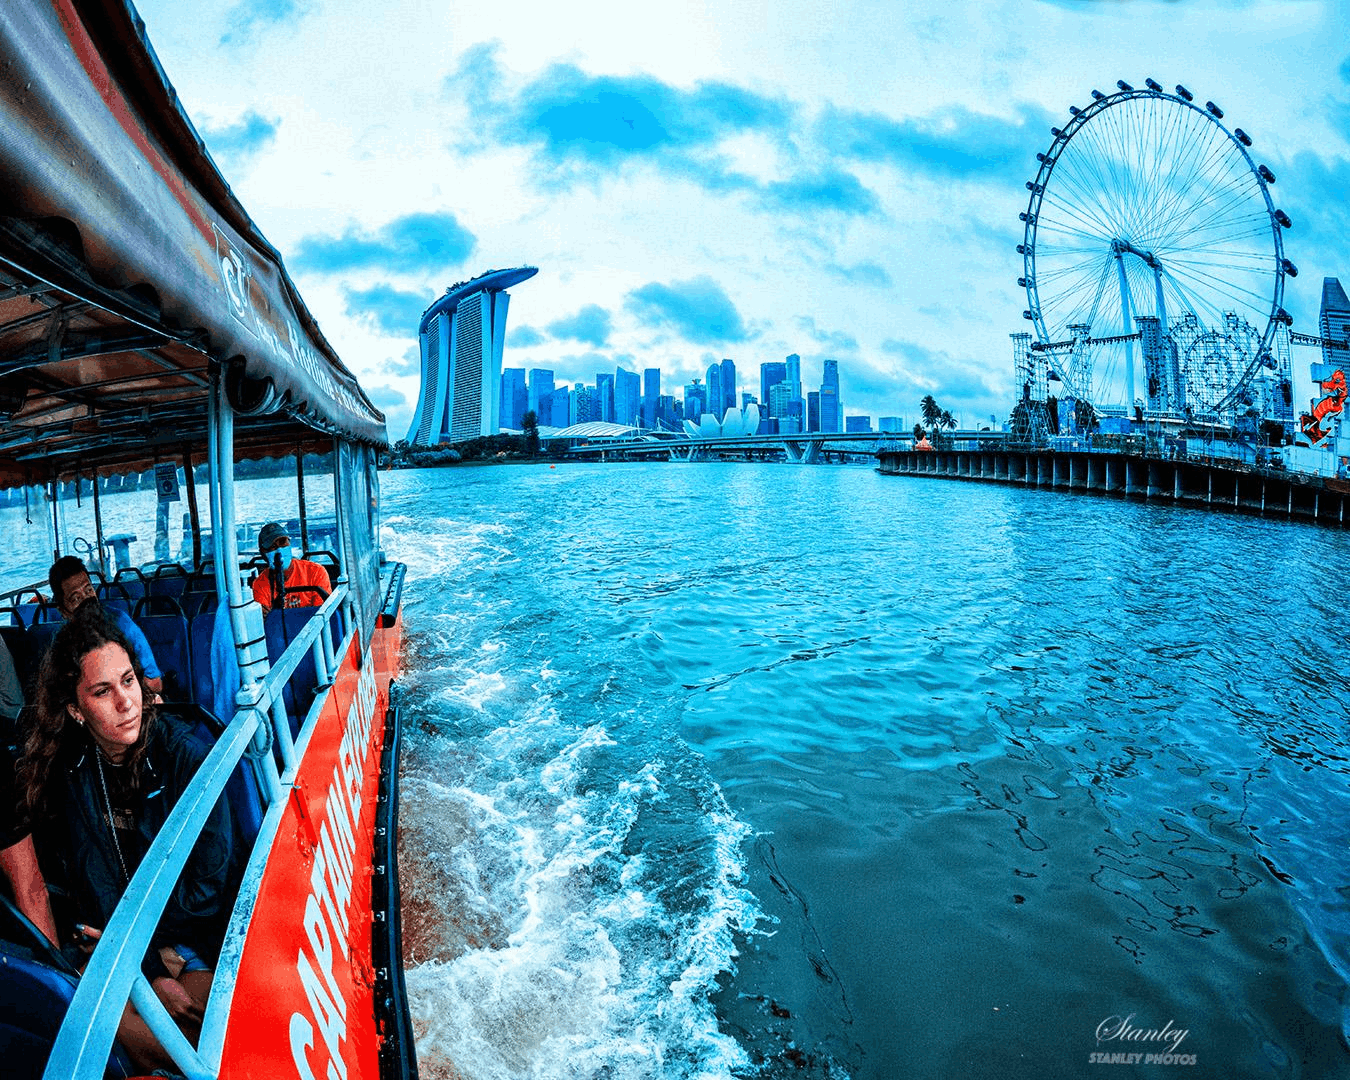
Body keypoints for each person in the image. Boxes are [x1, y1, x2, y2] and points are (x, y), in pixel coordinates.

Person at [20, 605, 237, 1070]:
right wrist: (150, 969)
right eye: (102, 692)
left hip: (191, 941)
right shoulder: (77, 772)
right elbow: (95, 883)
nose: (125, 703)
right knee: (95, 1023)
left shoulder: (187, 758)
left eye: (128, 681)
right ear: (77, 711)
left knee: (185, 1034)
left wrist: (152, 959)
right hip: (130, 949)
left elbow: (208, 889)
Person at [48, 556, 163, 697]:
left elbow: (155, 683)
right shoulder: (63, 643)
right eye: (76, 598)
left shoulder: (121, 623)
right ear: (63, 611)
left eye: (89, 590)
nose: (86, 600)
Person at [251, 522, 330, 613]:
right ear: (263, 554)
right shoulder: (260, 584)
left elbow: (321, 614)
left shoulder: (315, 571)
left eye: (282, 542)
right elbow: (267, 621)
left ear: (290, 544)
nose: (279, 549)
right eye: (272, 546)